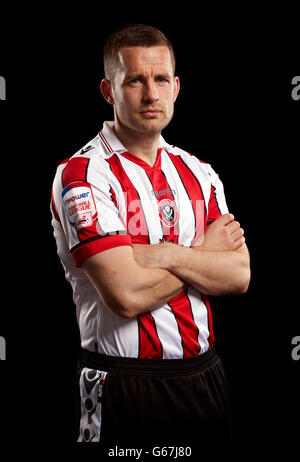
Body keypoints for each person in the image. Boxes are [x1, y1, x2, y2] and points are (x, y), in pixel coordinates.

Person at [50, 24, 250, 449]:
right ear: (108, 90)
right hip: (122, 384)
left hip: (204, 377)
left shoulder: (201, 173)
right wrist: (201, 256)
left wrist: (159, 255)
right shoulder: (83, 175)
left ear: (176, 87)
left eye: (161, 79)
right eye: (135, 80)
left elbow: (238, 275)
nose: (151, 94)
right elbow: (125, 295)